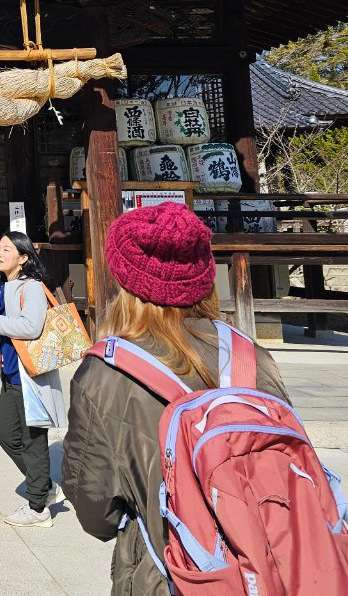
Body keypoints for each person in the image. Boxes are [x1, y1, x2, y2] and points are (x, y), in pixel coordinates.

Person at [62, 202, 290, 596]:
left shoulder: (103, 375)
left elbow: (95, 510)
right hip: (273, 569)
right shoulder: (252, 358)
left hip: (167, 573)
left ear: (124, 281)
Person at [0, 230, 66, 528]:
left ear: (24, 257)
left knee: (33, 440)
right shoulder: (4, 286)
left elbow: (31, 327)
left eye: (7, 248)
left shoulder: (30, 287)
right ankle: (42, 485)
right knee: (6, 434)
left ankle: (38, 508)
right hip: (11, 374)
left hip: (30, 376)